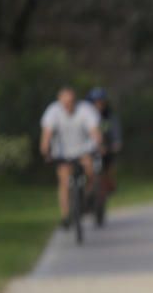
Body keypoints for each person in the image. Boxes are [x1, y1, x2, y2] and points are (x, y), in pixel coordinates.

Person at [40, 86, 101, 228]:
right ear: (59, 101)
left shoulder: (85, 109)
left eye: (71, 101)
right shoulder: (53, 111)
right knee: (64, 182)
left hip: (83, 149)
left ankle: (87, 198)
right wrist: (45, 150)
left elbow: (94, 132)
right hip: (62, 153)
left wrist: (98, 144)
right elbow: (47, 134)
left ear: (76, 100)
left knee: (90, 172)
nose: (68, 105)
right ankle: (66, 216)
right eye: (65, 102)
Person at [87, 87, 122, 200]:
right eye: (96, 102)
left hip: (105, 148)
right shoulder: (85, 115)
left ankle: (108, 185)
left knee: (108, 168)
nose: (99, 104)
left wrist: (116, 142)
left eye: (101, 102)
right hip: (87, 149)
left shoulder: (109, 116)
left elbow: (115, 131)